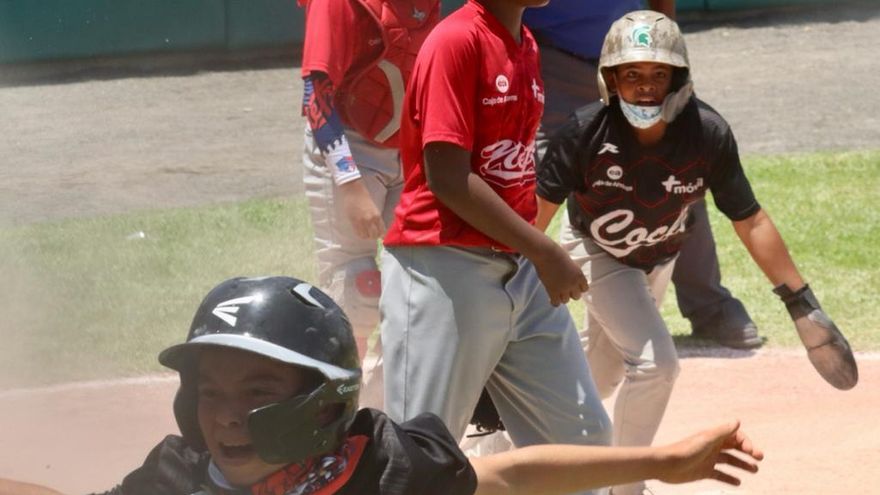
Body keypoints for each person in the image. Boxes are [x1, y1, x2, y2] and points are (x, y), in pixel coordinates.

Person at [0, 276, 764, 495]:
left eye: (257, 391)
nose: (227, 415)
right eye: (210, 392)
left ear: (322, 401)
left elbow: (509, 475)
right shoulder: (177, 479)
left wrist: (660, 460)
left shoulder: (382, 466)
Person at [535, 11, 858, 494]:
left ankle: (507, 447)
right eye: (632, 74)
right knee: (656, 365)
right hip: (594, 251)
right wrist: (511, 290)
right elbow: (534, 217)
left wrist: (800, 301)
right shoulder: (585, 132)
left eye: (658, 74)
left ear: (679, 79)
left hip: (657, 258)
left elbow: (750, 219)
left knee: (599, 377)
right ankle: (625, 488)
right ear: (610, 80)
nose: (646, 87)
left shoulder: (706, 133)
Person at [379, 2, 616, 491]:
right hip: (443, 265)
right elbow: (448, 177)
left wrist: (534, 253)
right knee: (423, 459)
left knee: (583, 440)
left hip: (518, 266)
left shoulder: (525, 42)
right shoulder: (456, 41)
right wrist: (545, 251)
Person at [523, 0, 761, 350]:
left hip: (641, 54)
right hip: (553, 61)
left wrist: (667, 51)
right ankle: (515, 313)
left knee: (681, 171)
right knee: (540, 187)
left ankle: (708, 305)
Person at [298, 0, 441, 404]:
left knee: (424, 279)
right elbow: (316, 94)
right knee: (357, 288)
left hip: (409, 145)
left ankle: (383, 402)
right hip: (349, 145)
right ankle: (337, 409)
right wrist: (349, 183)